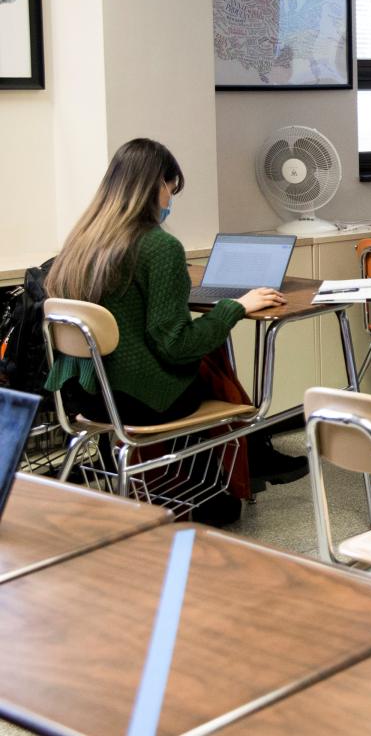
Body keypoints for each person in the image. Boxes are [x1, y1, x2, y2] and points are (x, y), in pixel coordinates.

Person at [43, 138, 292, 526]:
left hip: (89, 395)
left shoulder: (83, 241)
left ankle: (194, 482)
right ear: (157, 184)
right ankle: (230, 479)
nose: (169, 200)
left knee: (210, 360)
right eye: (171, 190)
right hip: (142, 401)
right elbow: (175, 346)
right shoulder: (159, 247)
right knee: (218, 371)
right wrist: (236, 307)